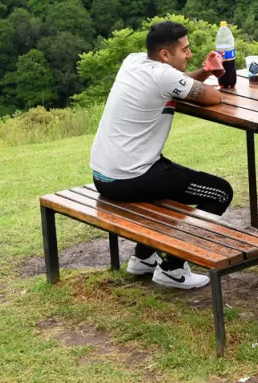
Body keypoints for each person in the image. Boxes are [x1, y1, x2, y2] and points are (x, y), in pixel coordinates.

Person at [89, 21, 230, 290]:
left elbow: (177, 81)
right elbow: (213, 97)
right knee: (220, 193)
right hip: (131, 178)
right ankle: (173, 269)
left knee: (171, 185)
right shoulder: (164, 76)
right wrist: (211, 77)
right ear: (165, 55)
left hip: (103, 175)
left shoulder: (133, 61)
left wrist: (204, 71)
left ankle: (143, 257)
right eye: (185, 50)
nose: (189, 54)